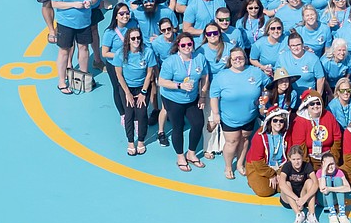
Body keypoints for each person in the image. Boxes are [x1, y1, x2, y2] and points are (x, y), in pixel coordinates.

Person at [208, 46, 268, 179]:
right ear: (230, 60)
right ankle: (228, 166)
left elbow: (267, 87)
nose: (237, 60)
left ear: (245, 58)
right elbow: (214, 96)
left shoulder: (256, 72)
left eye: (240, 57)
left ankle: (240, 164)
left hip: (249, 115)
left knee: (245, 139)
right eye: (234, 58)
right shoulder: (221, 76)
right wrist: (216, 114)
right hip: (230, 117)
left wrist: (263, 100)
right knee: (232, 142)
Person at [157, 31, 208, 172]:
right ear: (178, 46)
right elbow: (161, 81)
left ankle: (191, 153)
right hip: (173, 98)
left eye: (189, 44)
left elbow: (205, 77)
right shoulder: (171, 61)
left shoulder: (199, 58)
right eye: (183, 45)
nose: (187, 47)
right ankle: (180, 156)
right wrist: (179, 85)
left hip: (191, 98)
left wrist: (202, 95)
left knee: (198, 123)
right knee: (177, 127)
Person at [51, 0, 98, 94]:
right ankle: (61, 81)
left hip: (84, 21)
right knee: (64, 50)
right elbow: (55, 3)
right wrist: (73, 5)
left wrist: (90, 2)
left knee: (84, 48)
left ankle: (83, 77)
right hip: (66, 22)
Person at [114, 27, 156, 156]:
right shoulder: (120, 53)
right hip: (127, 87)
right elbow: (119, 75)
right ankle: (131, 142)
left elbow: (149, 73)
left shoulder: (147, 52)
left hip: (142, 86)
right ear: (128, 40)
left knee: (142, 113)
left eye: (138, 38)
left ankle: (141, 140)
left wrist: (143, 93)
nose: (136, 40)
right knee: (129, 113)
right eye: (133, 38)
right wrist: (127, 93)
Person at [245, 105, 292, 197]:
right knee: (264, 191)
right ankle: (253, 180)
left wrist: (280, 173)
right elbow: (257, 161)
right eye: (275, 120)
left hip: (280, 166)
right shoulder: (259, 136)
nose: (278, 123)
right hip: (259, 166)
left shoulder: (287, 135)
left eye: (281, 121)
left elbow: (290, 155)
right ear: (270, 121)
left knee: (283, 188)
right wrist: (271, 175)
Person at [278, 144, 321, 223]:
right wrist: (297, 200)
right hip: (290, 199)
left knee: (310, 182)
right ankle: (299, 215)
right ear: (290, 159)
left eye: (298, 159)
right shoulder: (287, 166)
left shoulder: (307, 166)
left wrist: (304, 199)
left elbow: (316, 183)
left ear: (302, 158)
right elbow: (281, 184)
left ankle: (311, 215)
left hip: (302, 196)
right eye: (294, 159)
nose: (296, 162)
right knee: (287, 183)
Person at [316, 152, 351, 223]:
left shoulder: (339, 172)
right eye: (327, 165)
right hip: (323, 200)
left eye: (332, 164)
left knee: (338, 179)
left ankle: (342, 213)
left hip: (335, 200)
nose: (330, 167)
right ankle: (332, 213)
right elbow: (322, 188)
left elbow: (348, 188)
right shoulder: (319, 172)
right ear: (323, 165)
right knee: (328, 179)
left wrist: (330, 189)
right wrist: (323, 172)